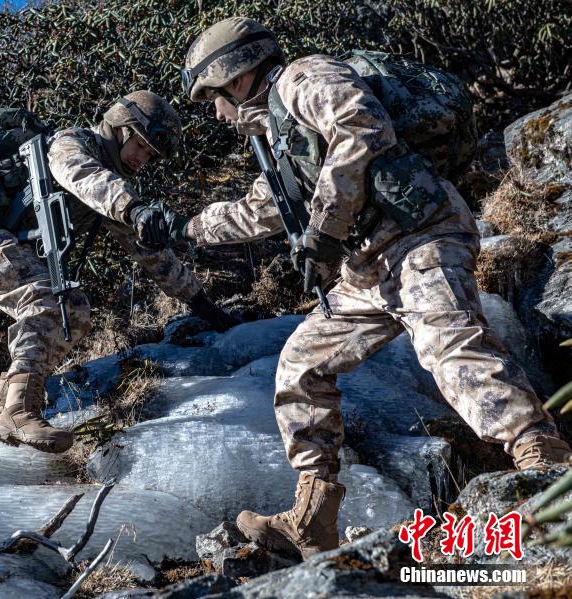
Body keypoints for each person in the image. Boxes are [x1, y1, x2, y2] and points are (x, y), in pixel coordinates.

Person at [177, 17, 571, 559]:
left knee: (450, 346)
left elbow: (361, 126)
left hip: (421, 238)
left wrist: (323, 231)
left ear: (236, 77)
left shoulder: (304, 78)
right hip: (367, 269)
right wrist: (185, 229)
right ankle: (312, 516)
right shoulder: (279, 134)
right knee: (301, 368)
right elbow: (261, 209)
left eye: (213, 98)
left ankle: (543, 461)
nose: (217, 114)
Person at [0, 90, 237, 454]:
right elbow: (83, 176)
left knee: (72, 310)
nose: (142, 159)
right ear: (120, 127)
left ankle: (2, 410)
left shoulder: (113, 188)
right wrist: (133, 207)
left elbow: (151, 254)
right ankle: (20, 409)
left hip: (2, 245)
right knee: (49, 303)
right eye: (140, 146)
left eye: (150, 155)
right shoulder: (70, 145)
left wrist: (200, 303)